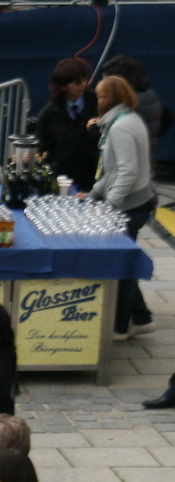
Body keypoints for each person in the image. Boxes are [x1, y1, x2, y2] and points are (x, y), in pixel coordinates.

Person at [93, 75, 158, 342]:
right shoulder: (128, 119)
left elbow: (126, 171)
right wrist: (96, 192)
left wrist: (109, 206)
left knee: (121, 267)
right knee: (126, 261)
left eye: (99, 96)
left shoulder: (120, 128)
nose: (97, 101)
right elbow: (114, 170)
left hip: (132, 206)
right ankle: (141, 317)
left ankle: (120, 326)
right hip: (138, 201)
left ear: (109, 99)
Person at [34, 57, 99, 194]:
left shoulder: (97, 103)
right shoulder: (48, 114)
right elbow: (42, 146)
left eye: (85, 79)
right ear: (63, 86)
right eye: (77, 82)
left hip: (91, 175)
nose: (83, 84)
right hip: (62, 177)